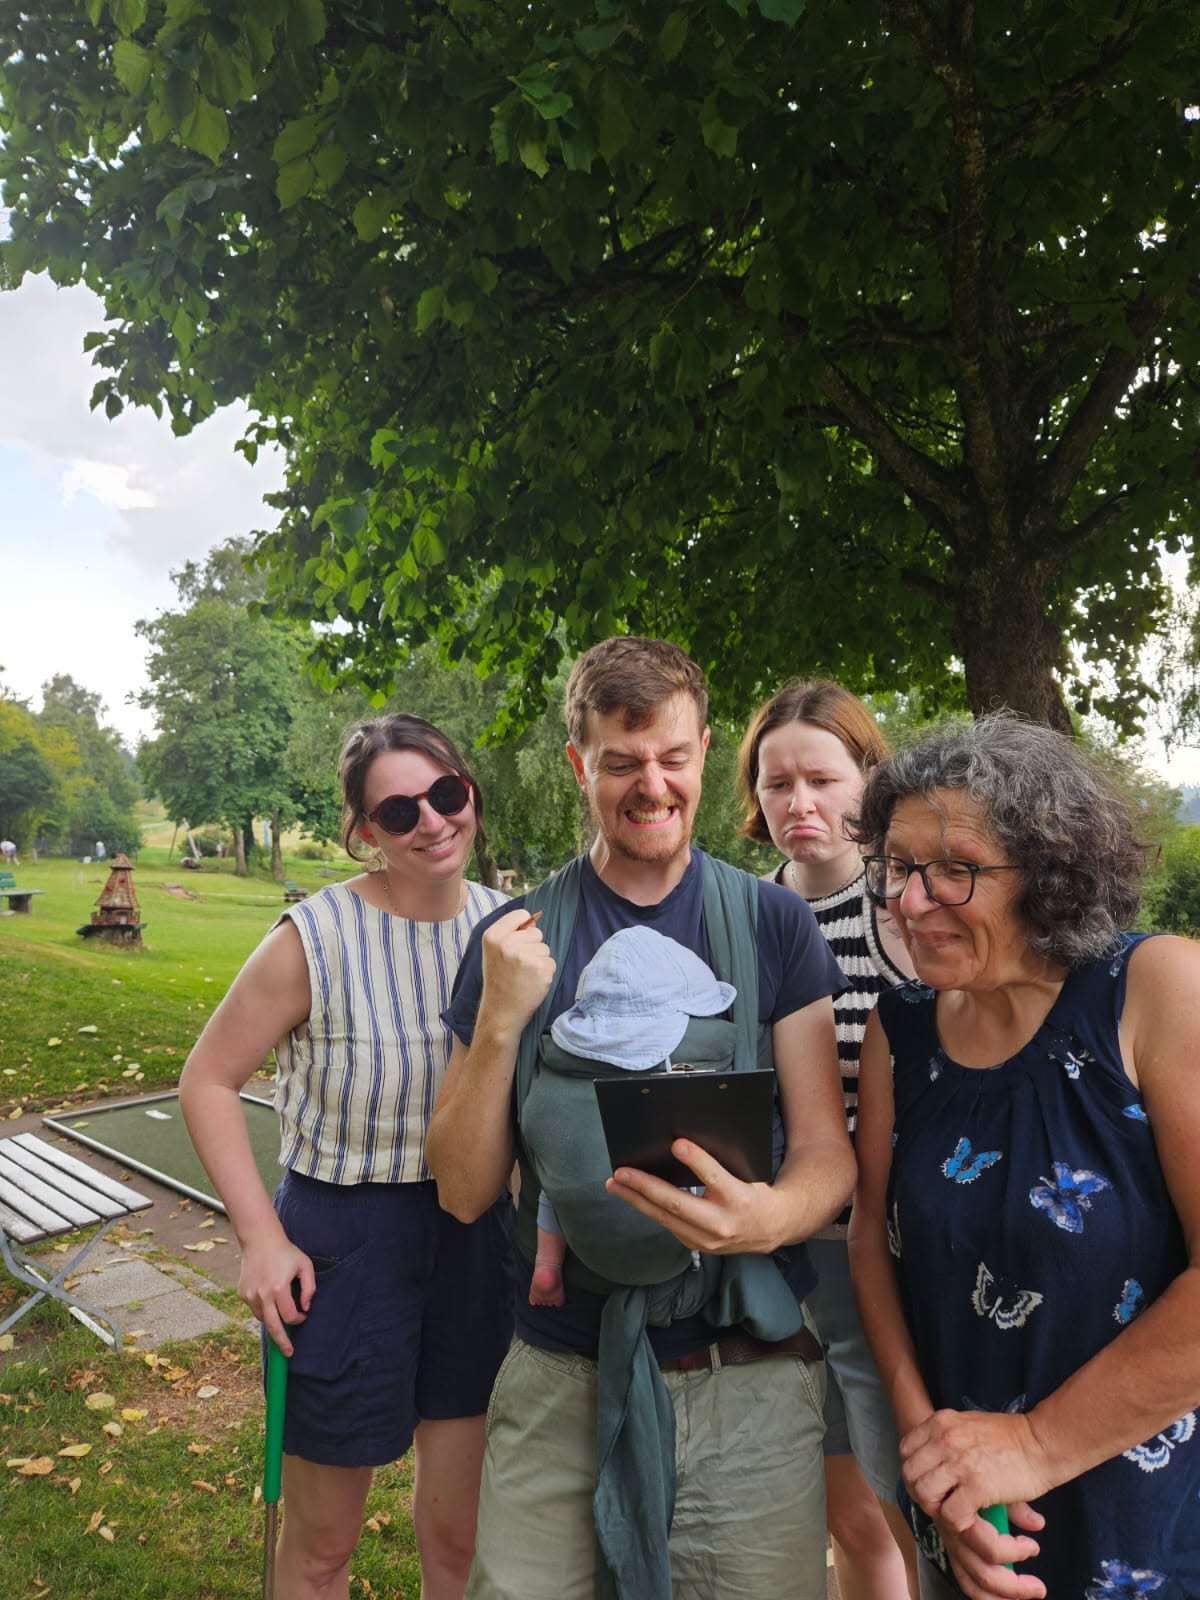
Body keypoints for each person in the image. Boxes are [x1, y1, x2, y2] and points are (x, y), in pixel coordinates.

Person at [426, 636, 856, 1600]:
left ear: (704, 753)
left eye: (672, 758)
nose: (651, 786)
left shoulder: (773, 924)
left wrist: (770, 1218)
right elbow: (461, 1191)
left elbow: (827, 1154)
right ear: (579, 764)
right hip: (560, 1377)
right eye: (621, 762)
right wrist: (498, 1022)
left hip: (746, 1379)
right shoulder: (514, 940)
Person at [847, 713, 1200, 1600]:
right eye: (897, 866)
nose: (910, 901)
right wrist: (938, 1466)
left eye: (954, 870)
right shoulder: (901, 1033)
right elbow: (869, 1237)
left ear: (1050, 876)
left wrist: (1036, 1446)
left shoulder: (1156, 991)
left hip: (1148, 1519)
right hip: (978, 1522)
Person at [178, 713, 513, 1600]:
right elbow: (207, 1081)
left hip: (473, 1235)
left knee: (462, 1537)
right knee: (324, 1545)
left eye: (445, 794)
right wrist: (259, 1239)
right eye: (398, 812)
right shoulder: (314, 938)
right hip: (341, 1242)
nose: (432, 822)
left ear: (469, 792)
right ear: (365, 832)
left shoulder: (510, 931)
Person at [736, 680, 919, 1600]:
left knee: (905, 1504)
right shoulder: (739, 912)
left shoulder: (906, 910)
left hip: (884, 1251)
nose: (798, 803)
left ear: (869, 780)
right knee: (847, 1512)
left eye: (822, 779)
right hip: (769, 1252)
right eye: (777, 784)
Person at [529, 926, 737, 1307]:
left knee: (553, 1183)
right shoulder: (683, 1076)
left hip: (581, 1227)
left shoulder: (557, 1075)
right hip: (670, 1237)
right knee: (691, 1167)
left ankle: (547, 1262)